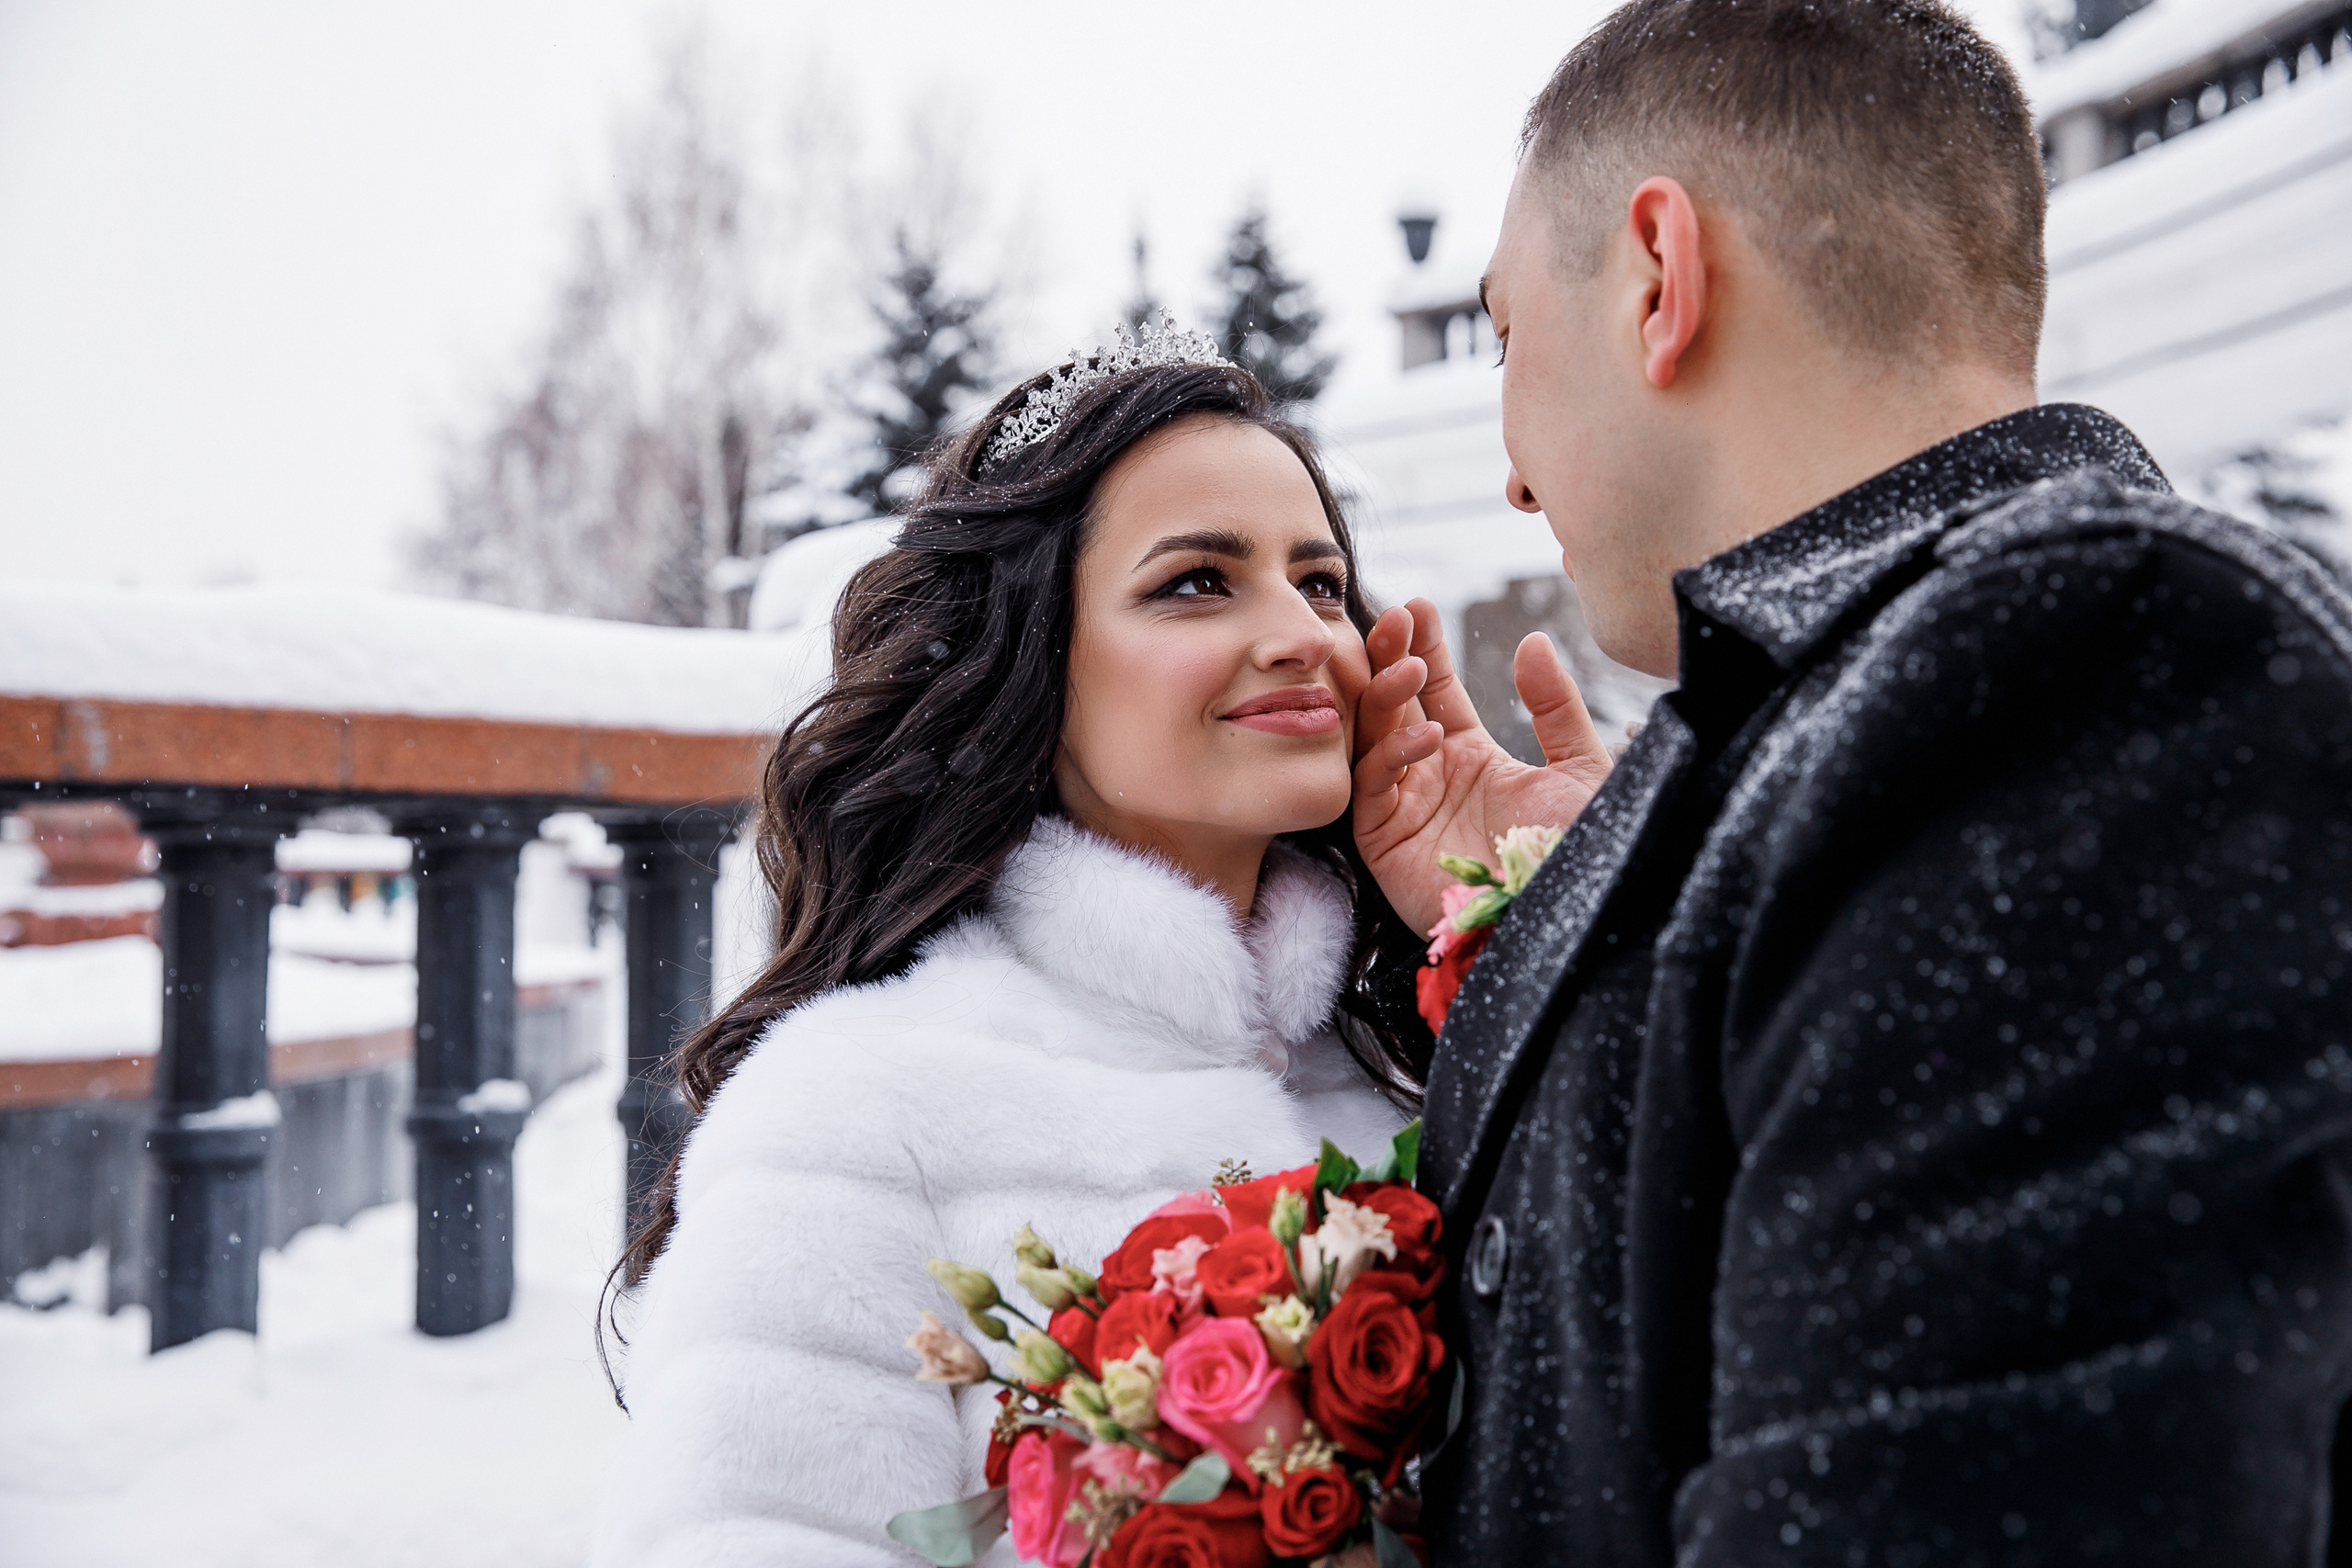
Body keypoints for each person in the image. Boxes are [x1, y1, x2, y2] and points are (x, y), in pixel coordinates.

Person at [1344, 0, 2352, 1561]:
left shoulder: (2073, 662)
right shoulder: (1869, 720)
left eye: (1501, 338)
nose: (1512, 469)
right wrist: (1588, 915)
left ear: (1659, 278)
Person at [587, 330, 1424, 1565]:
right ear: (1032, 664)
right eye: (1198, 580)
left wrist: (1526, 921)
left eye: (1320, 581)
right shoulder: (854, 1118)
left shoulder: (1409, 1057)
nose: (1304, 633)